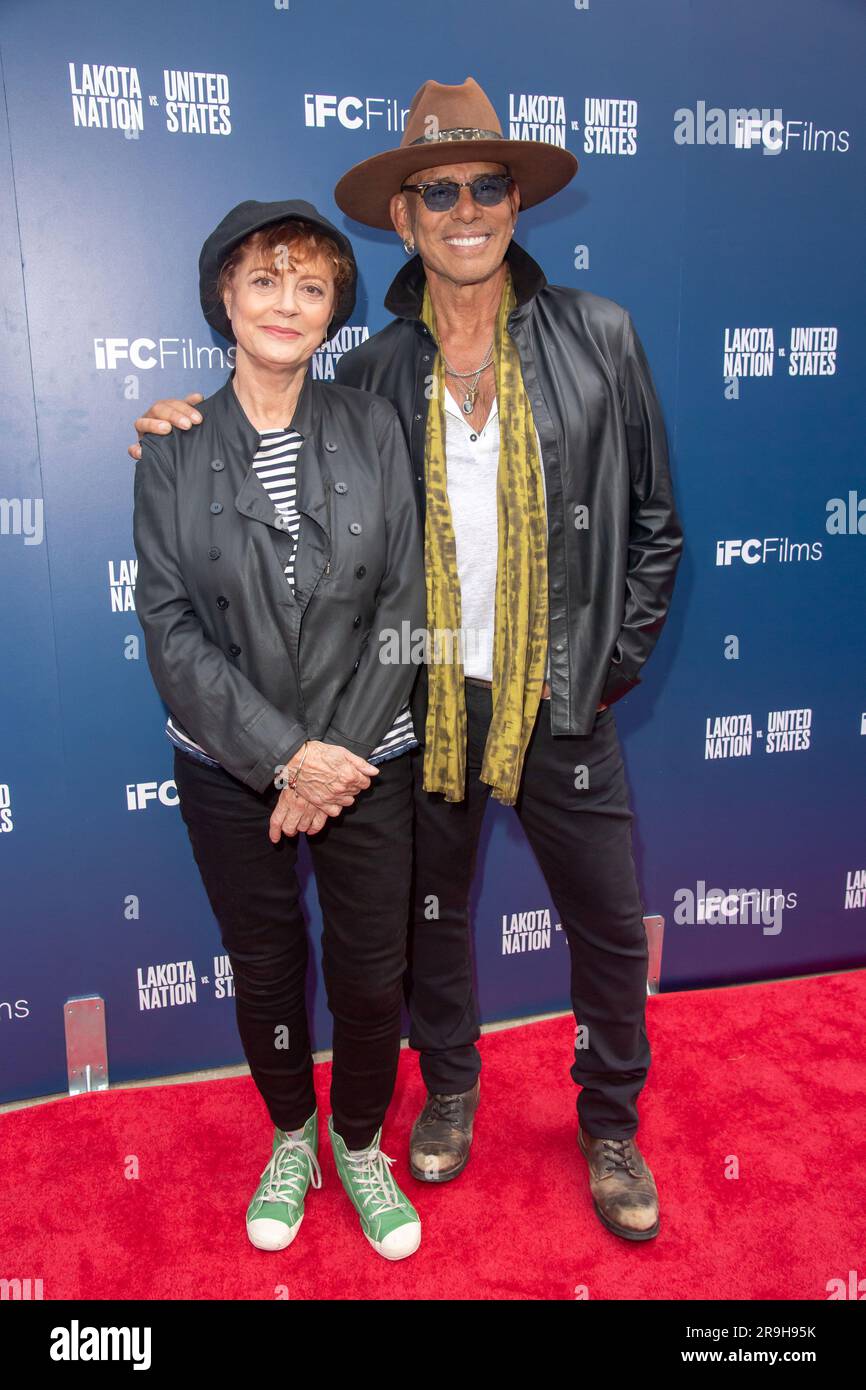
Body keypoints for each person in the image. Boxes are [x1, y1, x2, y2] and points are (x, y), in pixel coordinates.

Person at [129, 76, 684, 1243]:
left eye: (487, 185)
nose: (465, 208)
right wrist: (184, 426)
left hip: (556, 694)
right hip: (423, 696)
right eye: (439, 189)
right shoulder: (371, 373)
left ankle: (610, 1120)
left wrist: (600, 664)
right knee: (428, 925)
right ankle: (448, 1094)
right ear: (404, 215)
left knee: (606, 921)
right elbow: (269, 439)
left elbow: (653, 526)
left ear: (516, 199)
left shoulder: (600, 336)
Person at [132, 199, 426, 1261]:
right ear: (225, 296)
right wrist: (280, 754)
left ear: (333, 307)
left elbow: (406, 598)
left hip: (367, 756)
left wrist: (329, 760)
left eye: (310, 286)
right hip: (226, 764)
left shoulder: (374, 426)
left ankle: (358, 1146)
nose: (286, 303)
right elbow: (167, 626)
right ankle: (291, 1138)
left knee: (366, 969)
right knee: (263, 965)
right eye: (264, 280)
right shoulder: (171, 446)